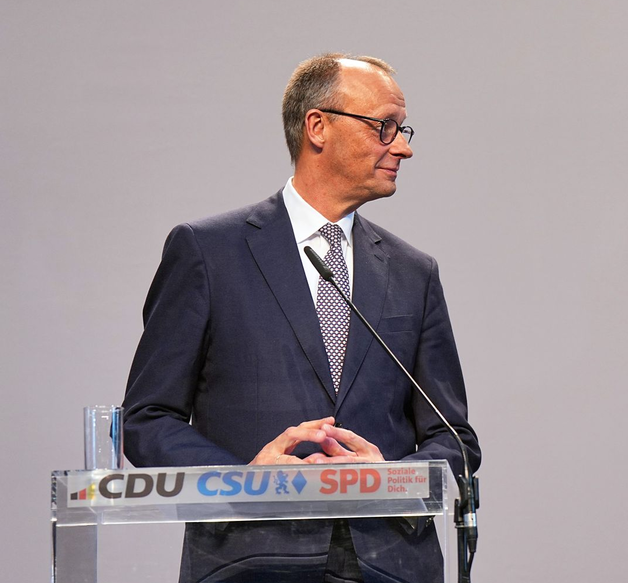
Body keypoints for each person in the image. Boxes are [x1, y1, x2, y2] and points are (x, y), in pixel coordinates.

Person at [123, 53, 481, 583]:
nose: (403, 146)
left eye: (401, 129)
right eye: (385, 127)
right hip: (252, 559)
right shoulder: (207, 252)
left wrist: (391, 479)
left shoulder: (414, 273)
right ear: (319, 127)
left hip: (390, 564)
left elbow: (455, 440)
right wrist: (243, 480)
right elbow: (147, 419)